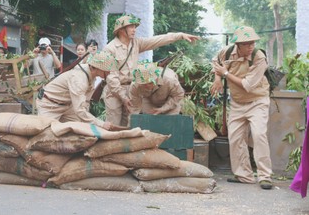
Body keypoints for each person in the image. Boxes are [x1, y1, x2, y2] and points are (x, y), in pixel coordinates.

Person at [104, 14, 199, 126]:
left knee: (128, 124)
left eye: (135, 27)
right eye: (131, 27)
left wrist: (180, 36)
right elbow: (111, 77)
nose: (134, 29)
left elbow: (157, 40)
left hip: (132, 89)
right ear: (121, 30)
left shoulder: (136, 43)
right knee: (113, 125)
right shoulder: (109, 49)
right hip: (115, 91)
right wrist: (123, 97)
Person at [211, 26, 273, 190]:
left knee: (259, 135)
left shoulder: (259, 57)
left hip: (257, 101)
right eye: (246, 44)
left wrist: (225, 74)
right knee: (236, 138)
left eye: (252, 43)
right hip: (238, 103)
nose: (251, 46)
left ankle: (265, 176)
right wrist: (217, 78)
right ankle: (244, 175)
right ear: (238, 44)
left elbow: (248, 85)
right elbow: (216, 62)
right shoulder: (227, 51)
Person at [36, 50, 118, 130]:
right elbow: (79, 110)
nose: (109, 72)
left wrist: (92, 120)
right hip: (49, 105)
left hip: (68, 106)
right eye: (107, 69)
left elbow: (85, 103)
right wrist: (101, 124)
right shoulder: (79, 80)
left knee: (82, 128)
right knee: (45, 133)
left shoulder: (91, 75)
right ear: (97, 67)